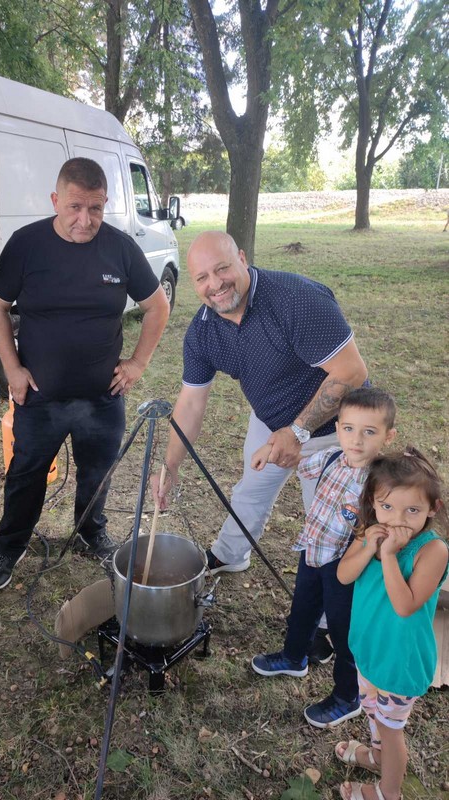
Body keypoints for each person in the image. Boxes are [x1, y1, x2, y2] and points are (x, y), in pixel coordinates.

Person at [0, 157, 170, 591]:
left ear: (105, 204)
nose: (85, 220)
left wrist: (138, 362)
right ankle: (9, 547)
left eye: (96, 208)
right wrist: (11, 368)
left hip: (101, 397)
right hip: (38, 397)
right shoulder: (27, 244)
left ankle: (91, 531)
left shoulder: (120, 248)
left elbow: (157, 306)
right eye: (74, 208)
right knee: (26, 474)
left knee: (98, 472)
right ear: (55, 200)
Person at [153, 231, 368, 575]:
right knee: (251, 491)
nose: (215, 284)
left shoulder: (295, 299)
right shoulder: (202, 333)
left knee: (330, 525)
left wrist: (297, 432)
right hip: (272, 420)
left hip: (340, 428)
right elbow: (191, 403)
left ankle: (328, 620)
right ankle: (230, 554)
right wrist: (171, 465)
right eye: (202, 277)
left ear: (242, 258)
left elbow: (352, 371)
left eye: (222, 269)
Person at [250, 388, 397, 728]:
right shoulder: (332, 457)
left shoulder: (382, 484)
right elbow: (298, 460)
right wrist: (269, 451)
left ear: (388, 436)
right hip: (312, 551)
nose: (356, 440)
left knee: (345, 632)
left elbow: (399, 517)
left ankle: (347, 697)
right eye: (348, 429)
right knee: (303, 609)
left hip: (347, 568)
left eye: (369, 432)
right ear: (338, 427)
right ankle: (293, 656)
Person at [335, 448, 448, 800]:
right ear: (372, 501)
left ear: (433, 508)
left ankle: (389, 790)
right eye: (387, 507)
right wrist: (369, 546)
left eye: (412, 510)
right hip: (370, 649)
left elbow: (405, 605)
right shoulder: (371, 532)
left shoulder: (433, 551)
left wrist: (387, 556)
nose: (398, 519)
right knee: (371, 711)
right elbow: (343, 575)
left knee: (390, 725)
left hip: (400, 662)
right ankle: (377, 754)